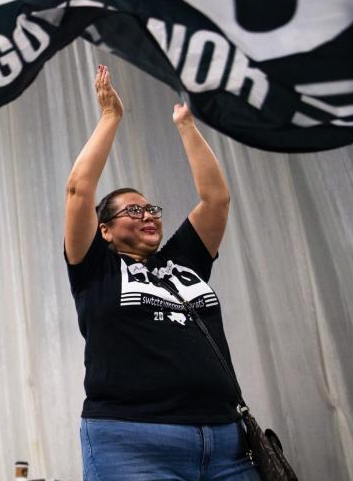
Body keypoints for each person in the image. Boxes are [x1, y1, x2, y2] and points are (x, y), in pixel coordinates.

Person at [63, 64, 259, 481]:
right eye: (133, 210)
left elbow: (216, 200)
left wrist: (186, 125)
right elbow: (80, 188)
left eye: (152, 208)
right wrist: (111, 117)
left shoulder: (181, 262)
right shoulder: (95, 267)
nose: (148, 214)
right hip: (134, 443)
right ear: (105, 229)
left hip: (225, 441)